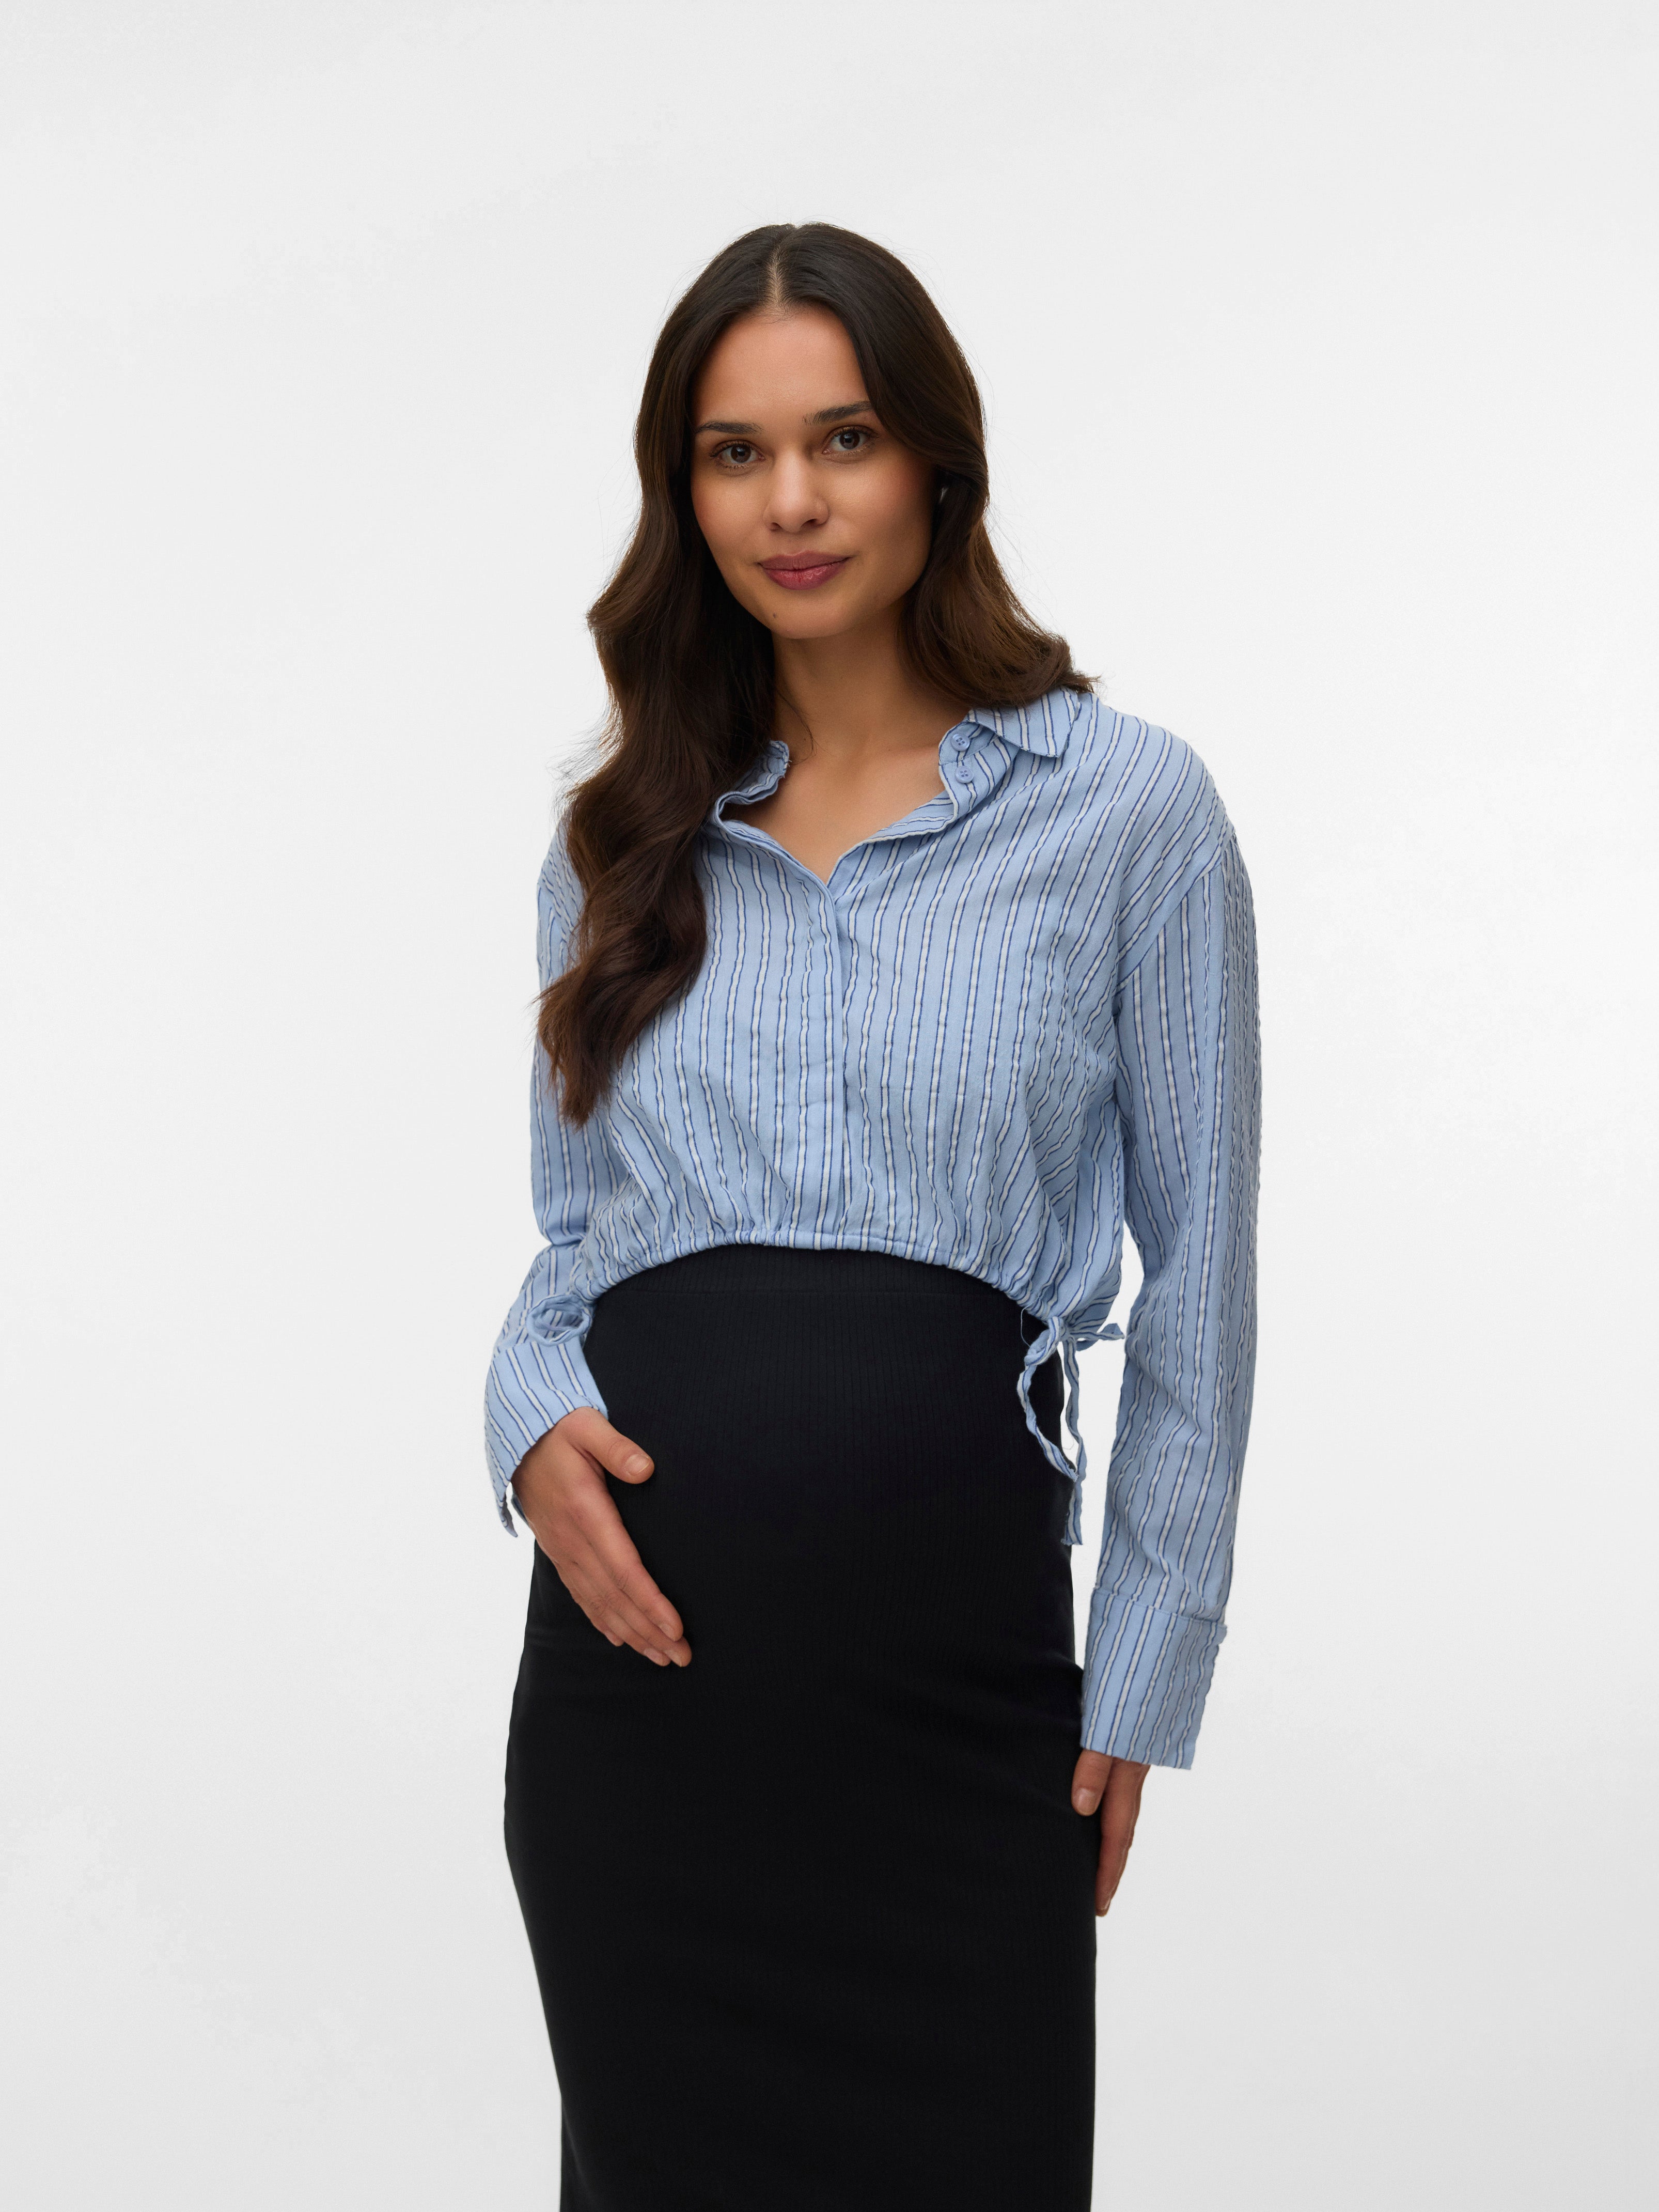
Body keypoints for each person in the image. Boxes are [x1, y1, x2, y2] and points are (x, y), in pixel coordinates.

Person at [484, 221, 1261, 2212]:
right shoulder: (618, 836)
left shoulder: (1127, 813)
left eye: (841, 439)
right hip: (642, 1719)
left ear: (934, 458)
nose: (793, 502)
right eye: (733, 454)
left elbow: (1204, 1278)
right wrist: (522, 1418)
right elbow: (573, 1242)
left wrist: (1142, 1666)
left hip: (960, 1700)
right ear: (683, 494)